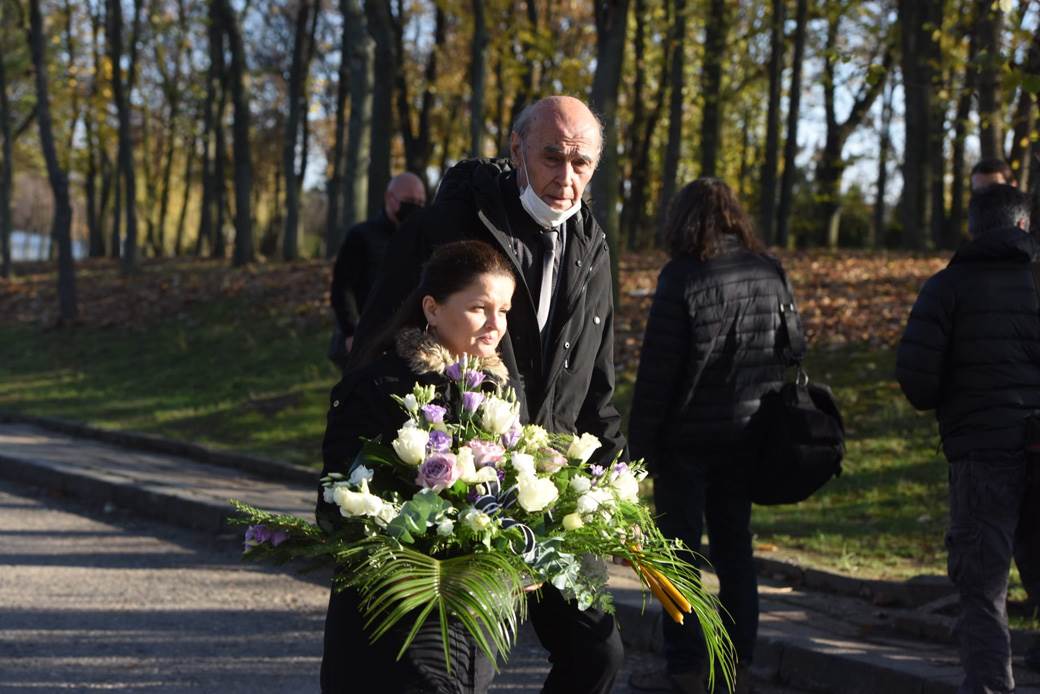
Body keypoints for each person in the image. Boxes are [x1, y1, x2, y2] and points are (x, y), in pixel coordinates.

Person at [348, 95, 625, 693]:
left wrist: (612, 489)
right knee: (461, 671)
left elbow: (596, 389)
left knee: (597, 654)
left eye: (583, 163)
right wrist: (420, 456)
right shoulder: (449, 226)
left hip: (555, 496)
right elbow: (376, 347)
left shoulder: (594, 246)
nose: (566, 177)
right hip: (468, 493)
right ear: (517, 148)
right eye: (553, 157)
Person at [318, 240, 518, 694]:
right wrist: (420, 527)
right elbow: (334, 504)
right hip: (393, 618)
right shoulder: (376, 387)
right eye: (479, 308)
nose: (495, 325)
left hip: (471, 614)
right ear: (432, 307)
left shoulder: (499, 393)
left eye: (503, 310)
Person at [627, 179, 799, 694]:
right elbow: (795, 349)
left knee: (678, 556)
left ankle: (683, 669)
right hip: (747, 435)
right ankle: (736, 666)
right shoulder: (768, 270)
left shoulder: (682, 276)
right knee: (735, 552)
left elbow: (658, 371)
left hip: (686, 441)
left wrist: (641, 448)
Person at [897, 183, 1040, 694]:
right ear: (1024, 226)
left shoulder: (947, 288)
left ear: (974, 229)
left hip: (982, 452)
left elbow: (917, 381)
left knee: (983, 588)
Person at [328, 172, 427, 368]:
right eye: (409, 200)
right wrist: (351, 332)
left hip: (409, 337)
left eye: (420, 202)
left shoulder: (423, 239)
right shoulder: (362, 236)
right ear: (390, 198)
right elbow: (342, 288)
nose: (415, 206)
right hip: (368, 335)